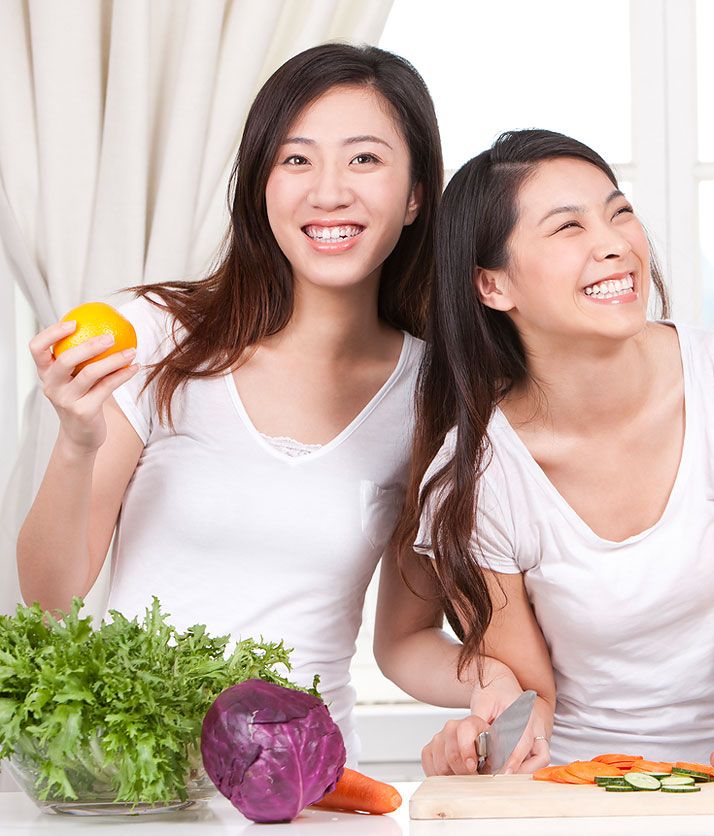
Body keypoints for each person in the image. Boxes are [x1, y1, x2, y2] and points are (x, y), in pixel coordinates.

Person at [16, 43, 492, 765]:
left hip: (309, 786)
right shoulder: (153, 337)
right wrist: (77, 443)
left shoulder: (435, 393)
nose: (328, 191)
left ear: (417, 193)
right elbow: (50, 599)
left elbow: (404, 642)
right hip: (134, 781)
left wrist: (508, 685)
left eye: (364, 159)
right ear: (260, 186)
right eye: (295, 160)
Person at [388, 129, 714, 775]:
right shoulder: (476, 477)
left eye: (618, 212)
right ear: (493, 286)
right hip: (576, 784)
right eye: (566, 228)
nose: (614, 243)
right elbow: (533, 700)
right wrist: (495, 751)